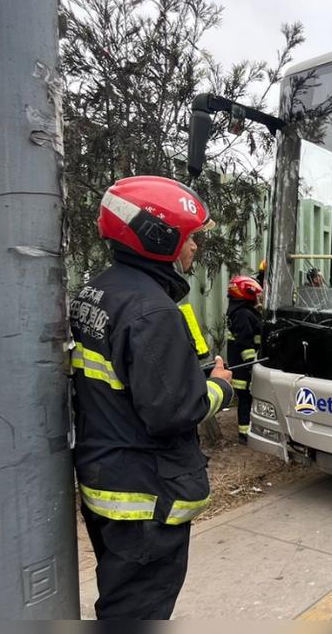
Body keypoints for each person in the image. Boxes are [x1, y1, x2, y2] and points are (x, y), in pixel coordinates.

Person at [70, 175, 234, 619]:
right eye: (190, 236)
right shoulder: (152, 310)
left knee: (120, 597)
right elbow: (174, 412)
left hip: (107, 481)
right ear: (158, 236)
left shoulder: (98, 290)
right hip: (145, 496)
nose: (195, 246)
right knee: (137, 610)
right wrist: (219, 385)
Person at [226, 274, 263, 443]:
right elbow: (245, 343)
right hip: (245, 368)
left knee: (246, 399)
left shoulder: (241, 312)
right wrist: (252, 364)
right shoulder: (242, 314)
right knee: (246, 399)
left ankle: (247, 431)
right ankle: (244, 434)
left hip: (242, 366)